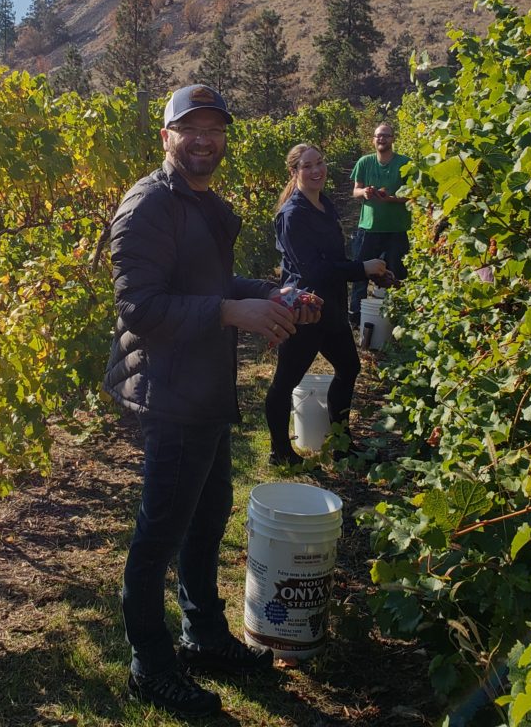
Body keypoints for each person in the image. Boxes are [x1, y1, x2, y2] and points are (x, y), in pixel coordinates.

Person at [104, 84, 319, 718]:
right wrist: (231, 311)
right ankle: (150, 661)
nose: (204, 139)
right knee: (160, 531)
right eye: (189, 128)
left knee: (207, 517)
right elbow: (138, 307)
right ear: (165, 137)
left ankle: (203, 635)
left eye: (214, 129)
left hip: (205, 386)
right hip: (171, 391)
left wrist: (274, 296)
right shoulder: (146, 207)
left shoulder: (197, 202)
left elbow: (212, 283)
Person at [264, 144, 386, 466]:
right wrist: (362, 269)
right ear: (295, 172)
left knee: (349, 367)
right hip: (305, 310)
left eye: (320, 163)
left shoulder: (325, 203)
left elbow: (334, 260)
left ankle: (342, 444)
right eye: (307, 166)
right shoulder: (293, 215)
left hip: (330, 306)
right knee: (285, 382)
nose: (317, 170)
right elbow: (313, 271)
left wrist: (368, 271)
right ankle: (281, 452)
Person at [348, 122, 411, 328]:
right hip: (369, 228)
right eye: (378, 136)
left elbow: (413, 194)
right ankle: (356, 315)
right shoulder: (364, 162)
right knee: (360, 273)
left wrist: (391, 199)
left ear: (393, 139)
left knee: (398, 272)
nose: (381, 139)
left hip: (396, 228)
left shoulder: (405, 163)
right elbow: (355, 191)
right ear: (373, 140)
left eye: (385, 135)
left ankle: (398, 316)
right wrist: (365, 192)